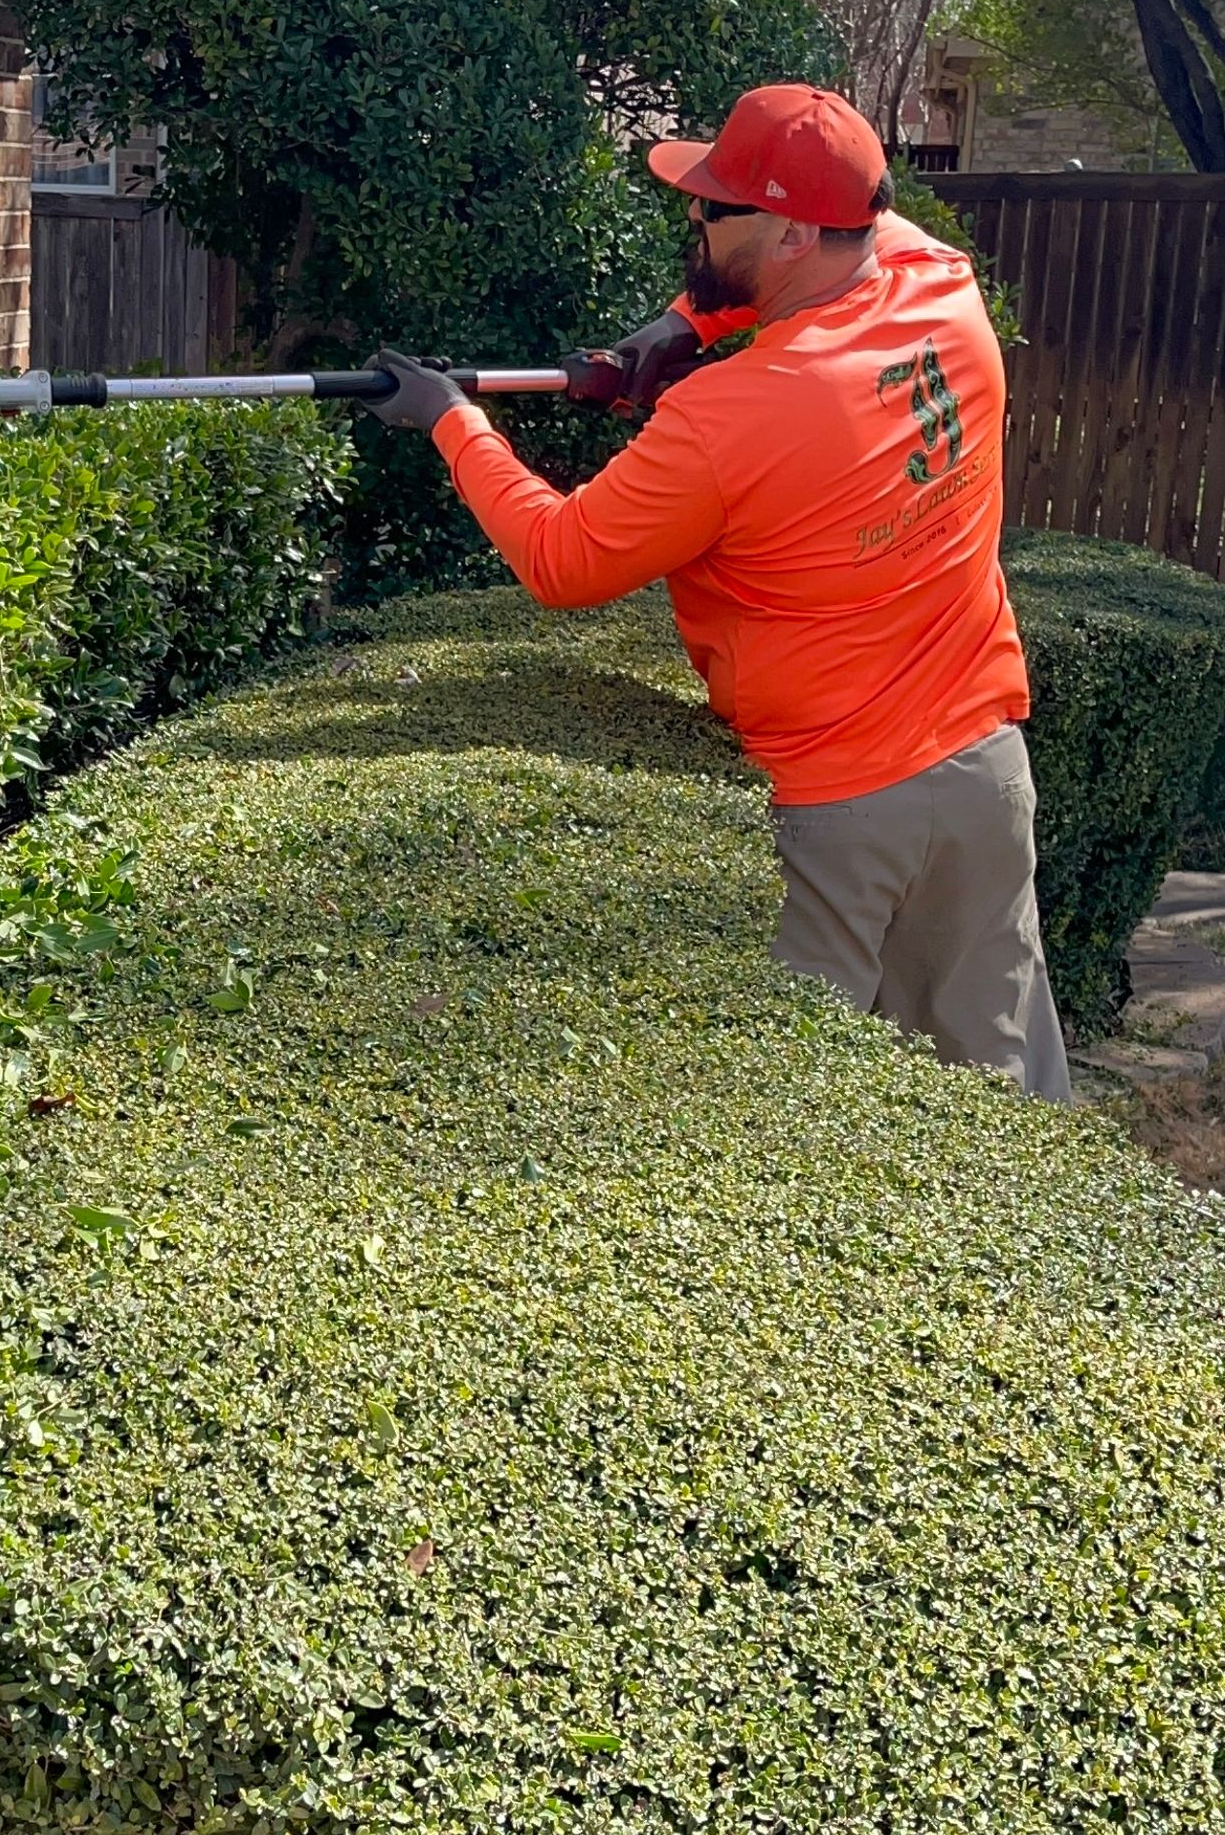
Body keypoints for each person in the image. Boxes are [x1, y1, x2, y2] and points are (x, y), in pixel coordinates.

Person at [370, 80, 1072, 1103]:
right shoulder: (943, 287)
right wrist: (682, 324)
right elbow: (874, 225)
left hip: (840, 813)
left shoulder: (727, 419)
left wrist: (451, 420)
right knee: (1003, 1098)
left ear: (789, 232)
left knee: (794, 1118)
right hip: (985, 779)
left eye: (716, 206)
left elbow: (563, 559)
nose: (692, 214)